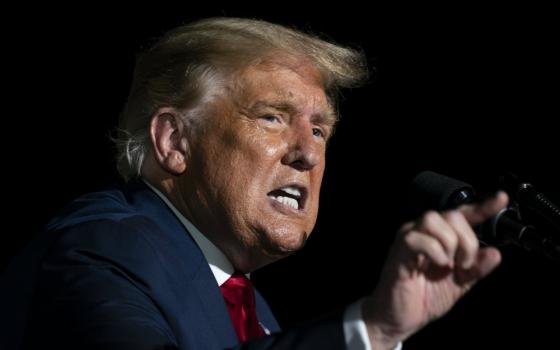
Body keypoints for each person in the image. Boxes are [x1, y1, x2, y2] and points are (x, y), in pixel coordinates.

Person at [0, 17, 508, 350]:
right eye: (271, 117)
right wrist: (367, 329)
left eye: (319, 129)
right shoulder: (101, 249)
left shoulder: (251, 307)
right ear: (175, 141)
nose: (308, 152)